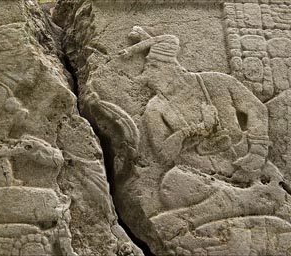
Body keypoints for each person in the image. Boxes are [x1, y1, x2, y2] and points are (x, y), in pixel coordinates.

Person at [120, 27, 290, 250]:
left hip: (244, 165)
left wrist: (257, 151)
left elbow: (255, 109)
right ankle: (242, 201)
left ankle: (219, 208)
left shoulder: (216, 82)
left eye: (151, 69)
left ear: (169, 68)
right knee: (172, 185)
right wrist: (196, 130)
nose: (147, 78)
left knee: (272, 190)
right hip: (197, 176)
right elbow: (163, 155)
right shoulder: (156, 108)